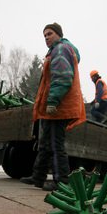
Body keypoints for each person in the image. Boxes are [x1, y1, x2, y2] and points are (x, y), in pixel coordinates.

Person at [20, 22, 86, 191]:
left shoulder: (61, 49)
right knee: (44, 143)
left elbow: (62, 77)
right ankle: (38, 177)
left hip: (59, 107)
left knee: (56, 144)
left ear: (59, 34)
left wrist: (53, 101)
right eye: (44, 35)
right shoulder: (54, 51)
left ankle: (61, 181)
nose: (46, 38)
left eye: (49, 34)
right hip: (53, 107)